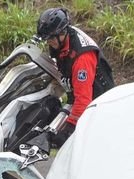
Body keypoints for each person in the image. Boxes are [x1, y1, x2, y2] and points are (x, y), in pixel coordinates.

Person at [36, 7, 115, 147]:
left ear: (63, 32)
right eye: (46, 39)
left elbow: (83, 99)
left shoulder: (82, 58)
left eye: (51, 39)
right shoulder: (62, 40)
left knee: (73, 144)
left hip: (97, 104)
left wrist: (68, 129)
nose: (49, 43)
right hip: (80, 96)